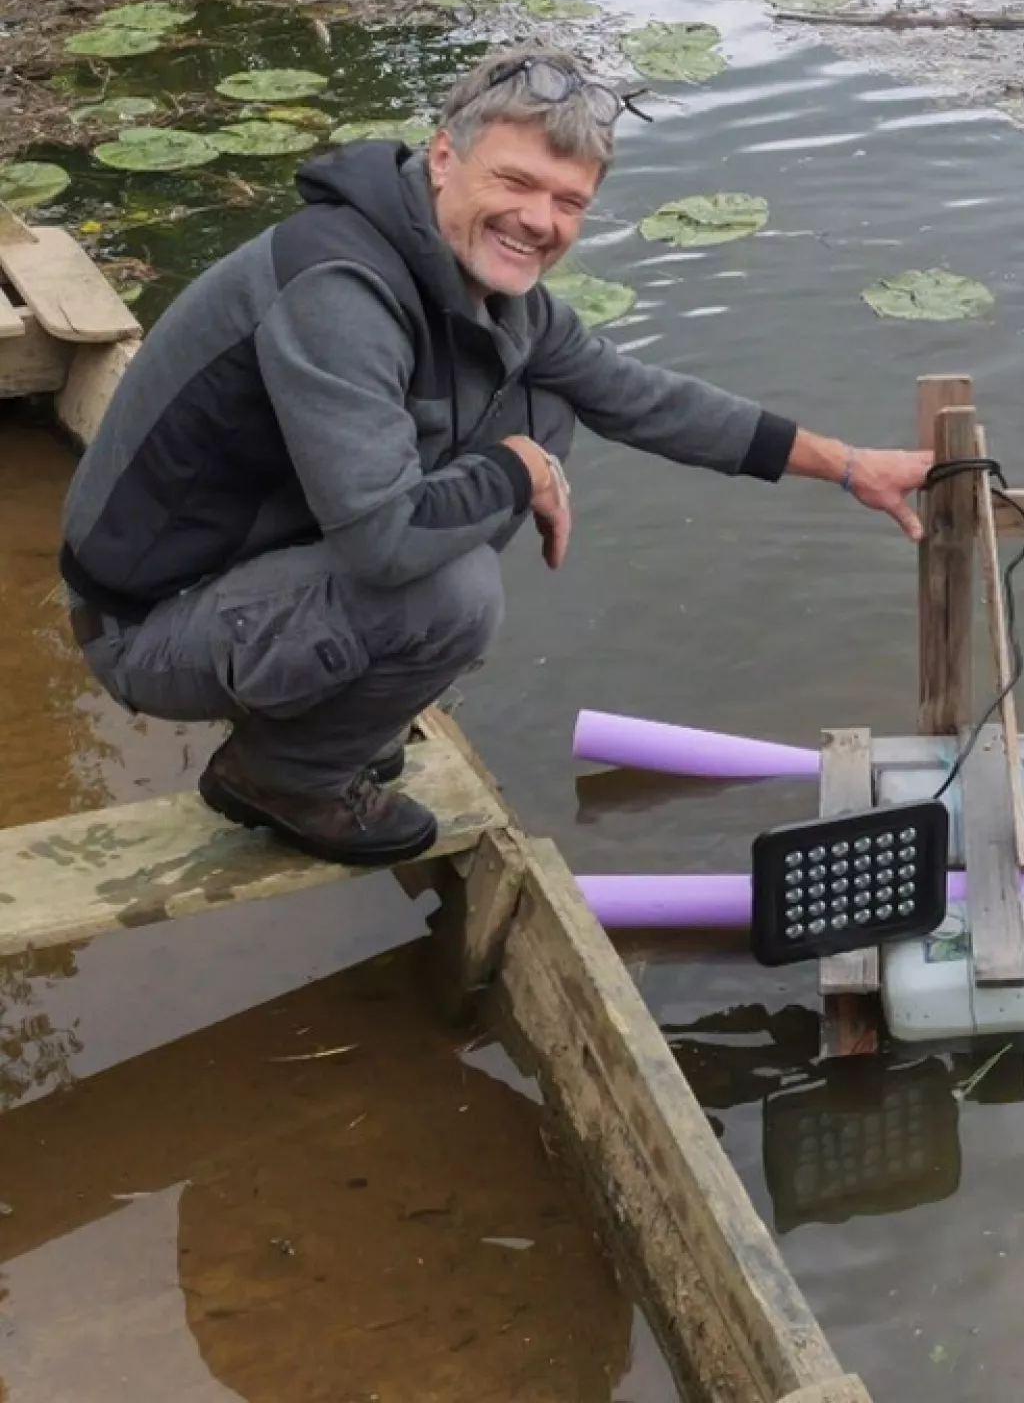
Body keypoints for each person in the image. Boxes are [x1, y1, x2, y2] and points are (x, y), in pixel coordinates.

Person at [60, 44, 933, 865]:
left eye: (568, 202)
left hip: (252, 564)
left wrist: (847, 464)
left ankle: (338, 716)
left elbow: (638, 397)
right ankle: (281, 777)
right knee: (453, 591)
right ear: (444, 157)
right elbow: (383, 543)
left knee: (547, 396)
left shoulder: (484, 286)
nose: (538, 222)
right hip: (150, 624)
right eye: (516, 182)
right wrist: (519, 469)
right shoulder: (340, 287)